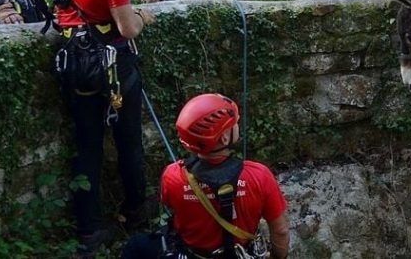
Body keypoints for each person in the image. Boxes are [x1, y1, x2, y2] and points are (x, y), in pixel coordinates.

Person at [48, 0, 153, 257]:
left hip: (74, 64)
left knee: (87, 145)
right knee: (128, 141)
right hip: (112, 66)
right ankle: (136, 209)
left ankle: (89, 228)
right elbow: (127, 28)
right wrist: (141, 15)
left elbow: (81, 5)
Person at [121, 93, 290, 259]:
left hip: (193, 253)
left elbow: (170, 206)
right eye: (234, 123)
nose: (237, 124)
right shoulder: (259, 175)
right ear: (224, 138)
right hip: (242, 253)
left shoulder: (172, 176)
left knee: (135, 246)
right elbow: (280, 231)